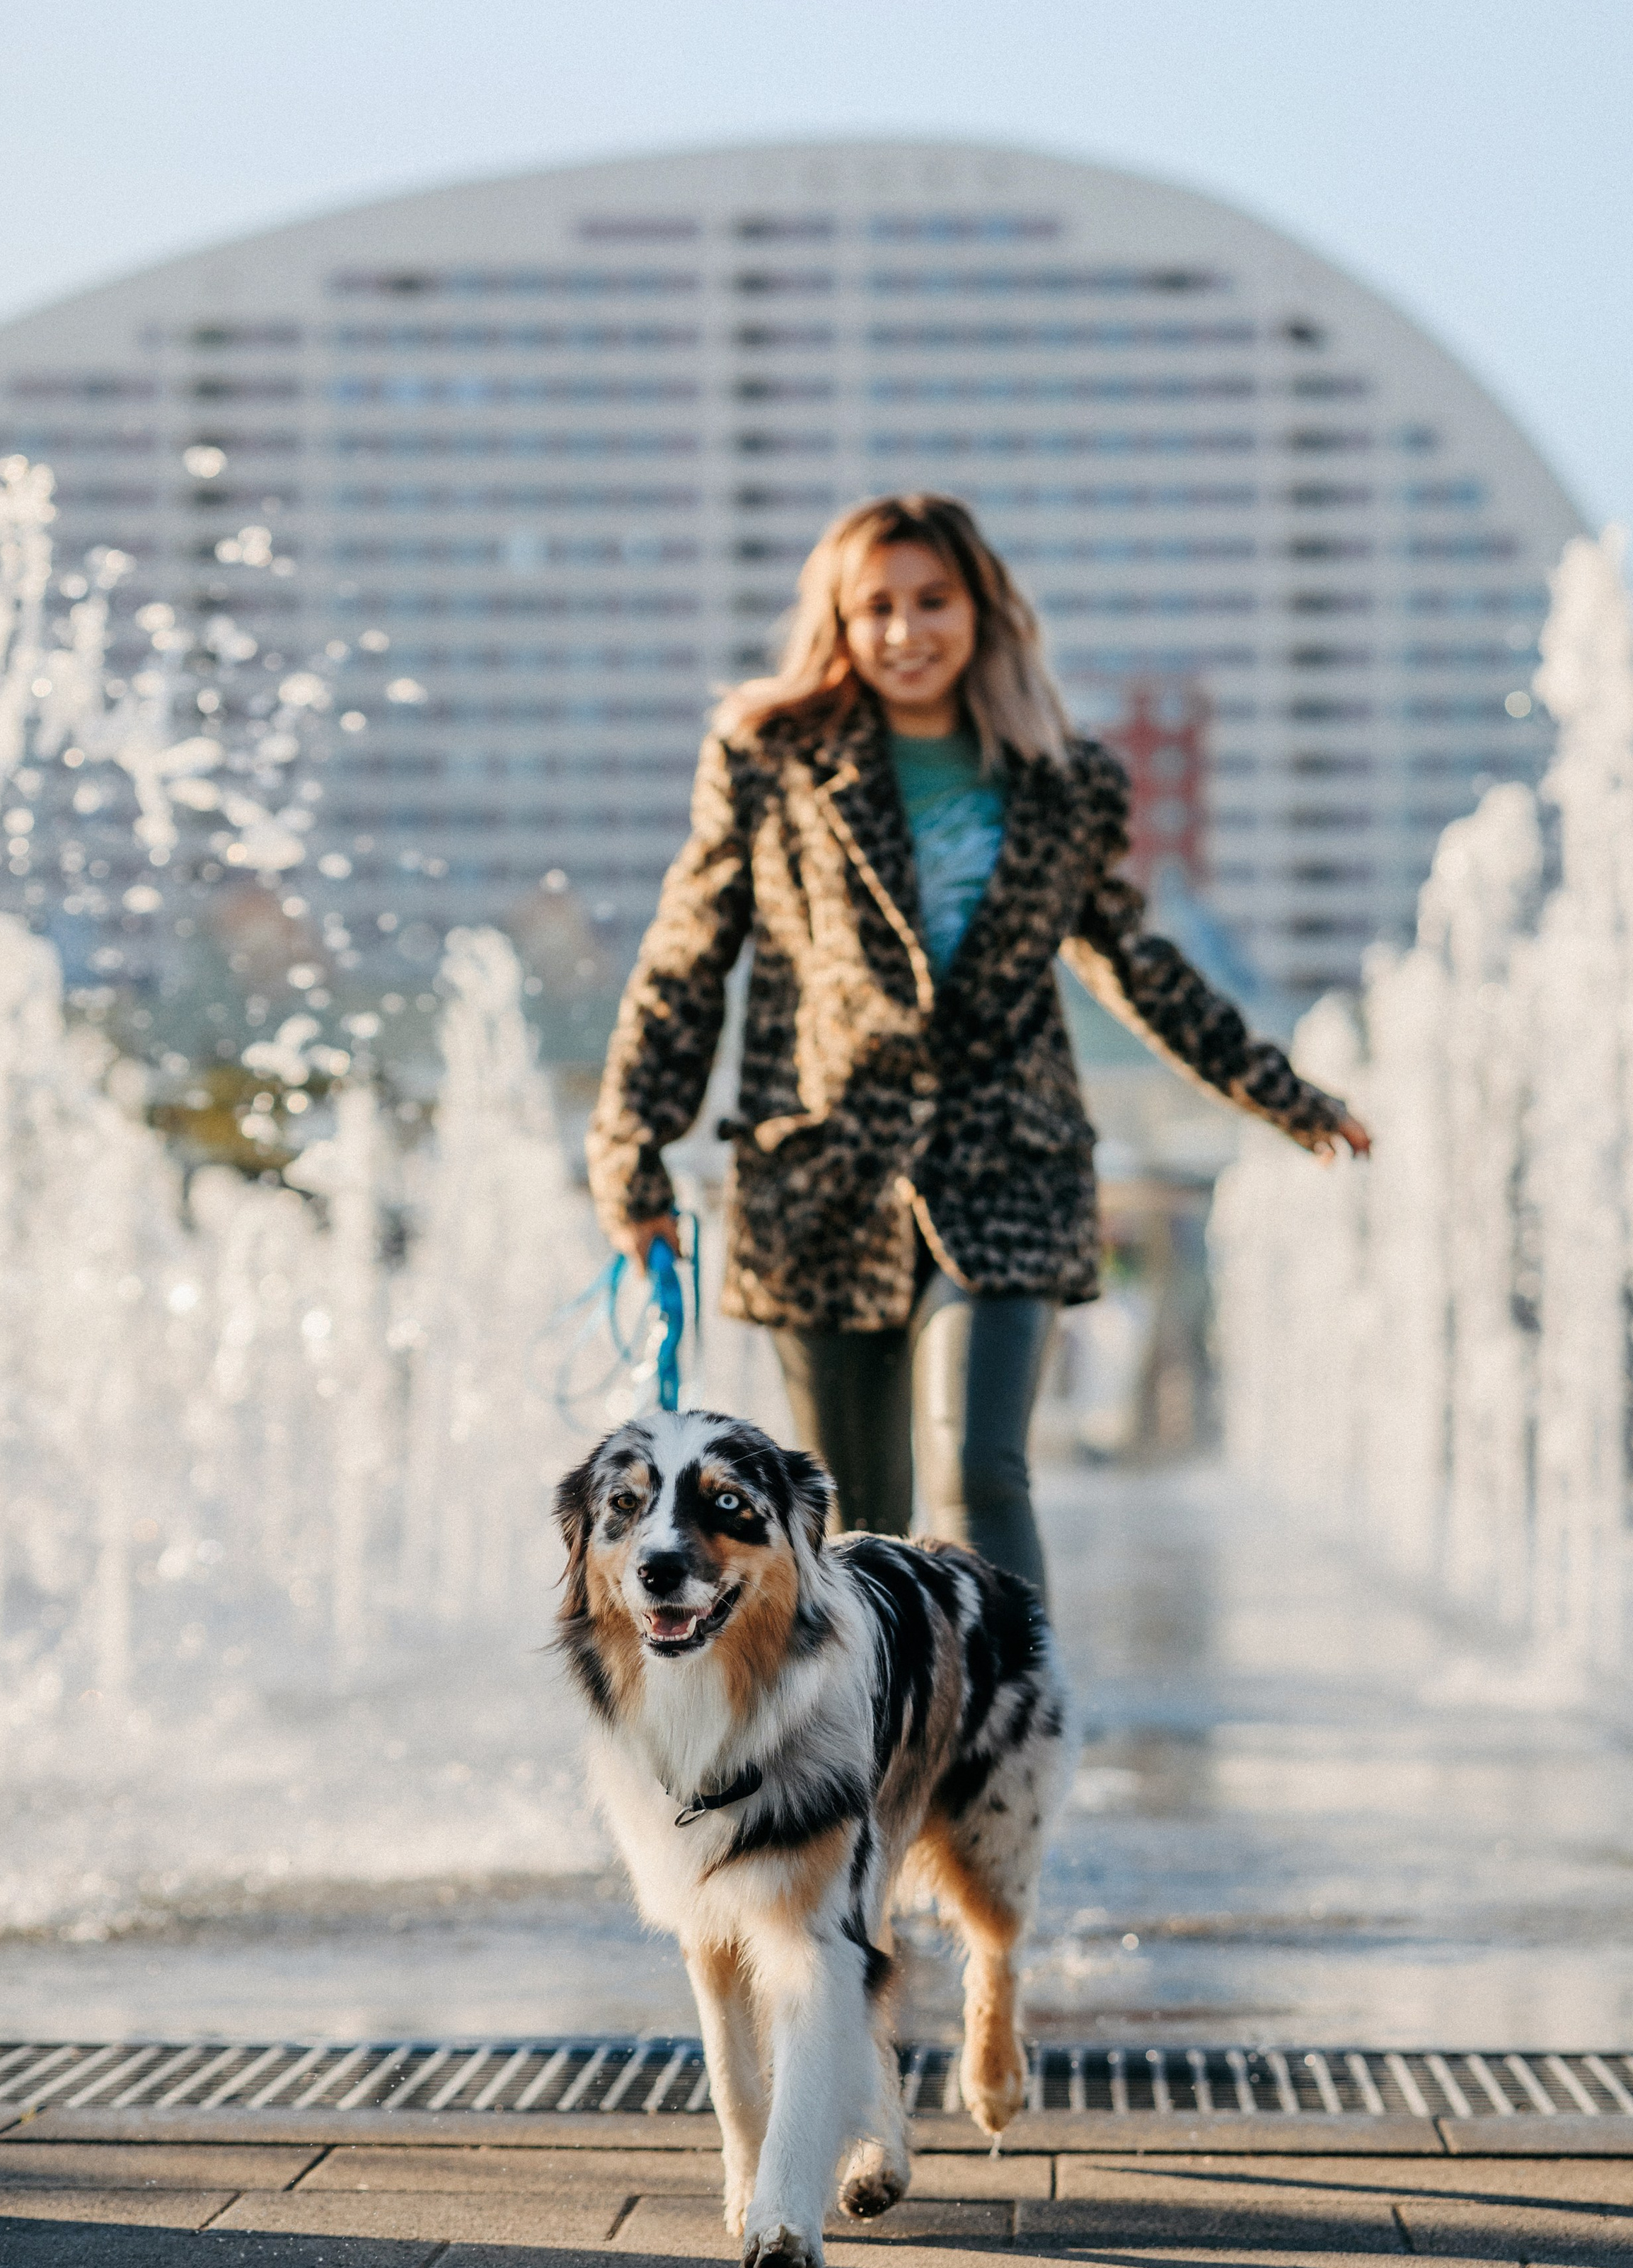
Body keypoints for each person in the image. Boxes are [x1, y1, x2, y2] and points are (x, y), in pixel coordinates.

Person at [585, 493, 1369, 1600]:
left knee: (981, 1472)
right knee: (850, 1518)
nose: (908, 632)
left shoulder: (1066, 781)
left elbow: (1136, 961)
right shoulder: (773, 758)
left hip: (1012, 1162)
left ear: (983, 609)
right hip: (823, 1171)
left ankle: (1012, 1744)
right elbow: (685, 960)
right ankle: (869, 1757)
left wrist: (1284, 1095)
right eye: (879, 608)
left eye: (934, 602)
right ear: (842, 624)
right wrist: (632, 1157)